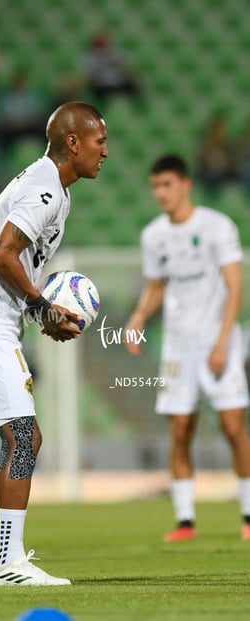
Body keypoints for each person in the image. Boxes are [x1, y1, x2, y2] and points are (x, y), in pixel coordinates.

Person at [0, 101, 108, 587]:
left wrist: (37, 304)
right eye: (99, 140)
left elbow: (14, 260)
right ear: (73, 143)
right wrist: (41, 307)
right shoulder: (44, 189)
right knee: (24, 438)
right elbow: (3, 255)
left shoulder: (51, 187)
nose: (106, 150)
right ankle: (10, 562)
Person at [125, 154, 250, 542]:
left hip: (218, 342)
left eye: (167, 184)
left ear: (185, 184)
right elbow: (156, 285)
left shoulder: (216, 226)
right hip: (177, 349)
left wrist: (222, 341)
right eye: (156, 186)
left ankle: (248, 515)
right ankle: (185, 521)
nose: (161, 193)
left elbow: (234, 285)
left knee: (233, 427)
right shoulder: (153, 236)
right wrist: (138, 317)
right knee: (180, 430)